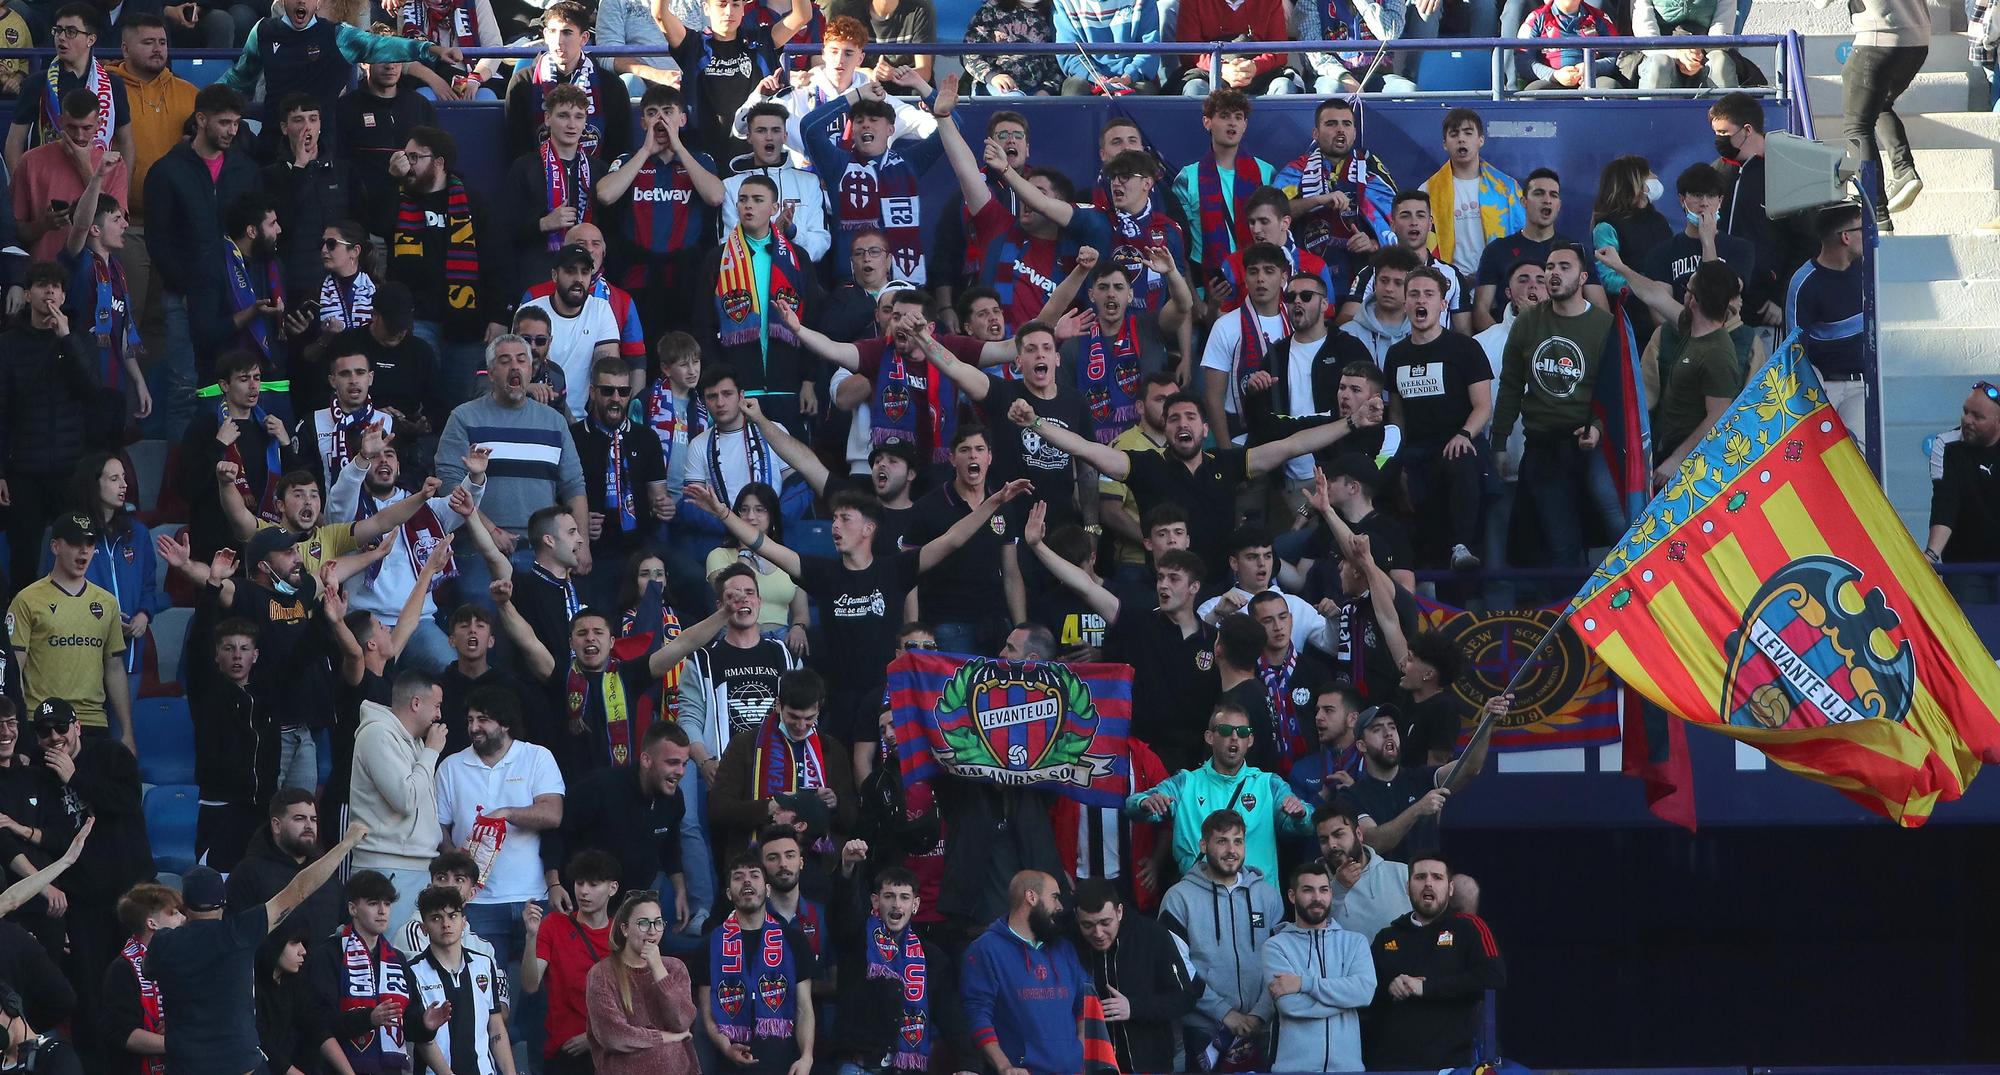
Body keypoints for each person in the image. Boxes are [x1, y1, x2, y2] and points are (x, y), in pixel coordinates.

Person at [1005, 389, 1384, 582]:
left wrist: (1351, 424)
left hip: (1222, 582)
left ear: (1204, 428)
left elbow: (1292, 444)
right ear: (1165, 429)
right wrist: (1036, 424)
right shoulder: (1145, 465)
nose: (1181, 423)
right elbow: (1087, 449)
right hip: (1167, 584)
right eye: (1173, 419)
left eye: (1190, 417)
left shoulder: (1230, 461)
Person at [145, 822, 369, 1075]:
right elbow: (299, 890)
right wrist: (346, 844)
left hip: (186, 1066)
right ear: (223, 903)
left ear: (185, 905)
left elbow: (149, 969)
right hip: (240, 1065)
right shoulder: (241, 932)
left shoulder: (164, 943)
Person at [1490, 241, 1624, 572]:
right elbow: (1509, 385)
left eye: (1564, 267)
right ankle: (1567, 619)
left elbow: (1614, 390)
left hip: (1592, 441)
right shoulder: (1527, 323)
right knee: (1560, 541)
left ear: (1582, 278)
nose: (1553, 274)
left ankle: (1634, 596)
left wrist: (1597, 427)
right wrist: (1499, 442)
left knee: (1619, 520)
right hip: (1544, 444)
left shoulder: (1605, 326)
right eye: (1550, 267)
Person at [434, 337, 590, 599]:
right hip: (479, 548)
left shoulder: (554, 422)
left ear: (531, 369)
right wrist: (490, 531)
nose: (515, 367)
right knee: (483, 626)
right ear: (491, 372)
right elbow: (449, 484)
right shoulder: (464, 417)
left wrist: (581, 543)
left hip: (544, 548)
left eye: (521, 360)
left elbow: (574, 486)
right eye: (505, 361)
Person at [436, 686, 565, 984]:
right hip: (477, 902)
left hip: (531, 898)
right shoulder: (451, 767)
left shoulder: (536, 757)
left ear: (505, 723)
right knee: (487, 993)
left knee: (538, 993)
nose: (474, 727)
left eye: (483, 719)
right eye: (470, 720)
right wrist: (451, 852)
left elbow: (553, 814)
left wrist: (506, 813)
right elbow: (439, 826)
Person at [216, 0, 449, 158]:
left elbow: (378, 45)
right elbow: (240, 77)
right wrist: (204, 99)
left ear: (317, 3)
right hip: (275, 141)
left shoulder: (338, 35)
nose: (301, 2)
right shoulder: (263, 31)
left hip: (322, 145)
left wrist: (430, 49)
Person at [384, 125, 513, 406]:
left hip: (466, 326)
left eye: (414, 157)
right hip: (417, 320)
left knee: (457, 404)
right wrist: (392, 183)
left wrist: (498, 316)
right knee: (419, 401)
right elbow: (378, 224)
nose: (407, 163)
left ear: (439, 162)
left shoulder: (474, 203)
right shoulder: (400, 198)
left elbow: (495, 262)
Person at [0, 263, 104, 598]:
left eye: (56, 286)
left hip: (69, 468)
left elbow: (92, 391)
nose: (50, 292)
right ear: (27, 294)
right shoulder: (8, 345)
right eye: (42, 285)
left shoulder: (78, 340)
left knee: (75, 552)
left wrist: (67, 339)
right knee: (23, 558)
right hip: (23, 470)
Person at [1384, 267, 1492, 572]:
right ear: (1405, 304)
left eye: (1429, 294)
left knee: (1460, 459)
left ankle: (1463, 546)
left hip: (1457, 450)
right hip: (1417, 454)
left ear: (1443, 303)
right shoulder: (1396, 355)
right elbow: (1396, 414)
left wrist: (1464, 434)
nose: (1421, 300)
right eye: (1414, 294)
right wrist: (1397, 460)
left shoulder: (1465, 348)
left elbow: (1483, 406)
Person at [1159, 808, 1282, 1067]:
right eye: (1222, 841)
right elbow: (1177, 968)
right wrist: (1225, 1014)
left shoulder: (1267, 895)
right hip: (1203, 1033)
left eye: (1238, 841)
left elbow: (1282, 962)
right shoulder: (1179, 898)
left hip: (1260, 1029)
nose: (1231, 850)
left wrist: (1260, 1014)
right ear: (1204, 845)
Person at [1130, 701, 1309, 879]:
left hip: (1256, 902)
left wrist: (1301, 814)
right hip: (1200, 900)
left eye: (1242, 732)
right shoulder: (1185, 783)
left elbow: (1306, 824)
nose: (1234, 737)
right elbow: (1132, 805)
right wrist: (1145, 803)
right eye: (1225, 730)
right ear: (1209, 737)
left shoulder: (1270, 784)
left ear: (1250, 740)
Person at [599, 85, 726, 332]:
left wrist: (679, 148)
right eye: (652, 113)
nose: (660, 120)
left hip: (687, 276)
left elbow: (715, 196)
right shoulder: (628, 160)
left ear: (683, 119)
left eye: (668, 112)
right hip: (637, 275)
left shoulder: (700, 159)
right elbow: (605, 195)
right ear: (643, 122)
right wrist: (645, 151)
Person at [1364, 853, 1507, 1070]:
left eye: (1437, 877)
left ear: (1450, 889)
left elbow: (1494, 976)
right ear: (1407, 887)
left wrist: (1426, 987)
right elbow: (1364, 989)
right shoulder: (1386, 936)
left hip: (1450, 1065)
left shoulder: (1469, 927)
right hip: (1390, 1065)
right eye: (1420, 877)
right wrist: (1389, 986)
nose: (1428, 883)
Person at [802, 75, 946, 285]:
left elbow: (953, 129)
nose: (866, 126)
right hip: (850, 283)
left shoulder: (909, 162)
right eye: (859, 121)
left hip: (904, 280)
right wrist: (856, 94)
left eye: (874, 120)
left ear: (890, 129)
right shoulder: (837, 164)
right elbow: (809, 128)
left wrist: (922, 86)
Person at [8, 513, 132, 749]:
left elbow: (114, 667)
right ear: (55, 546)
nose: (83, 551)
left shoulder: (107, 602)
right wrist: (23, 728)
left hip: (93, 722)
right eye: (75, 543)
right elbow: (15, 671)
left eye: (89, 544)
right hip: (44, 722)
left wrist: (127, 732)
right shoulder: (27, 600)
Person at [707, 670, 857, 855]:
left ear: (819, 709)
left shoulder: (832, 749)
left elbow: (852, 816)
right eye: (793, 717)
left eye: (809, 718)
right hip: (757, 861)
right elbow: (717, 809)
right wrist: (767, 808)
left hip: (815, 861)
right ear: (778, 705)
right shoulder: (745, 745)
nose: (801, 726)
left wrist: (836, 803)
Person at [307, 869, 440, 1075]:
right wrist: (368, 1019)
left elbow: (408, 1022)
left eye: (387, 904)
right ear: (352, 909)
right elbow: (319, 1022)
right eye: (373, 903)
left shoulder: (396, 958)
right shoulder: (329, 954)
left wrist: (425, 1024)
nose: (382, 911)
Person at [696, 852, 816, 1075]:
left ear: (768, 890)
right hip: (728, 1066)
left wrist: (806, 1057)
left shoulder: (793, 940)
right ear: (729, 893)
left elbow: (804, 1008)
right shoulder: (710, 945)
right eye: (738, 877)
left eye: (754, 875)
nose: (747, 881)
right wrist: (726, 1047)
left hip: (783, 1066)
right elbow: (708, 1013)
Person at [961, 869, 1090, 1075]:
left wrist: (1081, 1055)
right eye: (1055, 897)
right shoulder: (986, 949)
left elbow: (1086, 1004)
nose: (1060, 906)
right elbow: (977, 1013)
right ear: (1031, 897)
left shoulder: (1064, 948)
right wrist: (1005, 1066)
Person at [656, 0, 813, 167]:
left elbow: (802, 15)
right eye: (722, 4)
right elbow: (659, 14)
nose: (729, 11)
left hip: (754, 155)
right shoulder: (693, 44)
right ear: (706, 8)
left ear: (743, 9)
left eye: (736, 5)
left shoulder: (761, 40)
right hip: (702, 154)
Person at [351, 669, 449, 929]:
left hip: (415, 866)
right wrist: (431, 752)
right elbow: (405, 799)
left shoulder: (414, 742)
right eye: (436, 706)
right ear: (416, 703)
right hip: (387, 867)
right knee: (388, 957)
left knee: (411, 958)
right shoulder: (377, 734)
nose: (439, 715)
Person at [1104, 548, 1218, 769]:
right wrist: (1038, 546)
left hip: (1196, 763)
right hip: (1145, 757)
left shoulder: (1213, 640)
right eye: (1160, 577)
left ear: (1194, 587)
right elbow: (1088, 588)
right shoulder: (1141, 625)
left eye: (1174, 578)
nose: (1163, 585)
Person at [1071, 878, 1198, 1074]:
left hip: (1148, 1063)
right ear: (1076, 918)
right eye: (1087, 925)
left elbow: (1184, 997)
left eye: (1105, 923)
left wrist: (1134, 1007)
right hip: (1089, 1063)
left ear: (1119, 912)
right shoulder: (1069, 942)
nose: (1098, 933)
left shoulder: (1153, 936)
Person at [1261, 859, 1375, 1073]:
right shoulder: (1276, 946)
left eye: (1324, 890)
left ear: (1331, 894)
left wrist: (1304, 984)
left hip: (1348, 1069)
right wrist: (1346, 999)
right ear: (1292, 896)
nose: (1317, 898)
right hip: (1293, 1069)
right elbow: (1290, 1006)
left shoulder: (1355, 942)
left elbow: (1365, 993)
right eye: (1308, 890)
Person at [186, 618, 280, 869]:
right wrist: (212, 590)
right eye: (229, 648)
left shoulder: (266, 695)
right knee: (218, 888)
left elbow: (299, 657)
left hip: (260, 808)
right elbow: (195, 648)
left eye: (244, 649)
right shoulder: (206, 694)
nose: (237, 656)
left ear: (256, 655)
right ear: (216, 654)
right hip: (221, 808)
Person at [1277, 99, 1397, 292]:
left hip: (1362, 280)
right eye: (1331, 124)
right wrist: (1317, 200)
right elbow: (1274, 214)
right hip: (1307, 280)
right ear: (1315, 133)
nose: (1340, 130)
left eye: (1346, 124)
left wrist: (1374, 243)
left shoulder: (1371, 168)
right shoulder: (1297, 170)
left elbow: (1399, 220)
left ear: (1354, 132)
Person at [521, 850, 621, 1072]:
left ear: (612, 888)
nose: (584, 891)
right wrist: (530, 937)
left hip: (612, 1049)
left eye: (594, 884)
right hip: (565, 1049)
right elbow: (530, 984)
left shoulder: (622, 934)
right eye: (579, 883)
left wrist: (595, 1038)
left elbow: (633, 1000)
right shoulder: (553, 925)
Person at [5, 4, 135, 175]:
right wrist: (22, 187)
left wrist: (121, 194)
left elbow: (126, 143)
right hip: (45, 183)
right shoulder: (36, 83)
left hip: (96, 184)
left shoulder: (113, 85)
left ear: (91, 39)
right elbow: (14, 142)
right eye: (58, 30)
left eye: (71, 32)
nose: (61, 37)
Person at [584, 889, 700, 1074]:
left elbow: (682, 1022)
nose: (652, 931)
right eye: (643, 923)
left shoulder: (675, 968)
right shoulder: (601, 974)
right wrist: (664, 1037)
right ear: (625, 929)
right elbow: (613, 1035)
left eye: (658, 923)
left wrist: (659, 971)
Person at [406, 886, 518, 1075]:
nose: (446, 924)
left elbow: (496, 1028)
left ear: (464, 922)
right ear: (424, 928)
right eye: (436, 918)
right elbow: (422, 1039)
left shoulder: (484, 964)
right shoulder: (413, 971)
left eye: (453, 916)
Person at [504, 2, 632, 161]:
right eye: (552, 31)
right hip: (538, 177)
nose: (559, 41)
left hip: (598, 179)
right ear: (545, 34)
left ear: (584, 38)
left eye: (567, 32)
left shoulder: (610, 85)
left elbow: (618, 147)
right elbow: (517, 145)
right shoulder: (523, 82)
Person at [1785, 202, 1869, 447]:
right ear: (1845, 237)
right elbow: (1795, 349)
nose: (1868, 234)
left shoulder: (1868, 270)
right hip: (1824, 389)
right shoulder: (1803, 283)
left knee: (1859, 456)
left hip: (1861, 384)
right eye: (1862, 228)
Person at [15, 92, 130, 265]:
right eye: (72, 127)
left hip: (95, 274)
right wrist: (44, 225)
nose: (79, 136)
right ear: (60, 121)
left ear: (99, 124)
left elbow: (115, 224)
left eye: (86, 128)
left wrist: (84, 167)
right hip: (45, 274)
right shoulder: (30, 161)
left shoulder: (114, 165)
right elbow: (16, 230)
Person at [1842, 0, 1929, 227]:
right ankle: (1903, 170)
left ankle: (1876, 215)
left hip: (1877, 37)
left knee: (1857, 126)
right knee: (1879, 106)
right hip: (1917, 40)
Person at [225, 788, 347, 944]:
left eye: (314, 819)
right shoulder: (248, 873)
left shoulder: (328, 876)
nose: (309, 825)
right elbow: (236, 934)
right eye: (299, 818)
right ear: (276, 825)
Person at [720, 101, 832, 265]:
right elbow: (726, 247)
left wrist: (792, 232)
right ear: (749, 137)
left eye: (776, 130)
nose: (769, 137)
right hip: (751, 280)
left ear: (785, 136)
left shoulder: (809, 182)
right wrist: (773, 234)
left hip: (798, 279)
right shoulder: (730, 186)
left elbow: (820, 245)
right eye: (761, 130)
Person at [1425, 109, 1524, 283]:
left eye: (1468, 133)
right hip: (1448, 284)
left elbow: (1523, 236)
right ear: (1445, 144)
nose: (1461, 139)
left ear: (1481, 140)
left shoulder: (1508, 188)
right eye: (1454, 134)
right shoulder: (1428, 191)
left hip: (1499, 282)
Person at [338, 55, 440, 216]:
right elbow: (340, 163)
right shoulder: (346, 107)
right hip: (366, 211)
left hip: (417, 210)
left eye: (395, 58)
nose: (390, 66)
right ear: (365, 63)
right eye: (381, 58)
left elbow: (437, 158)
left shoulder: (420, 105)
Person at [1928, 383, 2000, 603]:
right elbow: (1946, 504)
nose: (1967, 420)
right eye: (1965, 411)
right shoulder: (1946, 445)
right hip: (1965, 567)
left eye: (1978, 417)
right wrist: (1930, 555)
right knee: (1971, 632)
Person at [102, 880, 178, 1075]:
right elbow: (124, 1034)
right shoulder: (122, 970)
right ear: (152, 923)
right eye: (174, 913)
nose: (184, 918)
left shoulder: (185, 958)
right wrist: (179, 1042)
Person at [1314, 798, 1411, 939]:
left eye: (1338, 834)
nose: (1332, 845)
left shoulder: (1402, 873)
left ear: (1359, 834)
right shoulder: (1313, 884)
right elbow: (1315, 936)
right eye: (1323, 840)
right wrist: (1338, 889)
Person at [252, 920, 340, 1075]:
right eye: (294, 943)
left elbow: (316, 1027)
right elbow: (263, 1043)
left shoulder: (296, 985)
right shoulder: (250, 987)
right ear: (275, 944)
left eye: (303, 943)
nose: (303, 951)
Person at [1515, 0, 1623, 90]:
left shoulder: (1600, 18)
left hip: (1592, 80)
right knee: (1533, 94)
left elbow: (1616, 57)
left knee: (1611, 87)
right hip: (1551, 81)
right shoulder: (1536, 19)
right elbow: (1524, 62)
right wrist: (1554, 75)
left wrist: (1592, 67)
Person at [1633, 0, 1740, 89]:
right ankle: (1652, 114)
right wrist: (1678, 54)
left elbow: (1721, 33)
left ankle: (1724, 113)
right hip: (1660, 50)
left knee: (1720, 62)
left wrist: (1696, 55)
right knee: (1659, 65)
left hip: (1705, 51)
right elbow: (1646, 35)